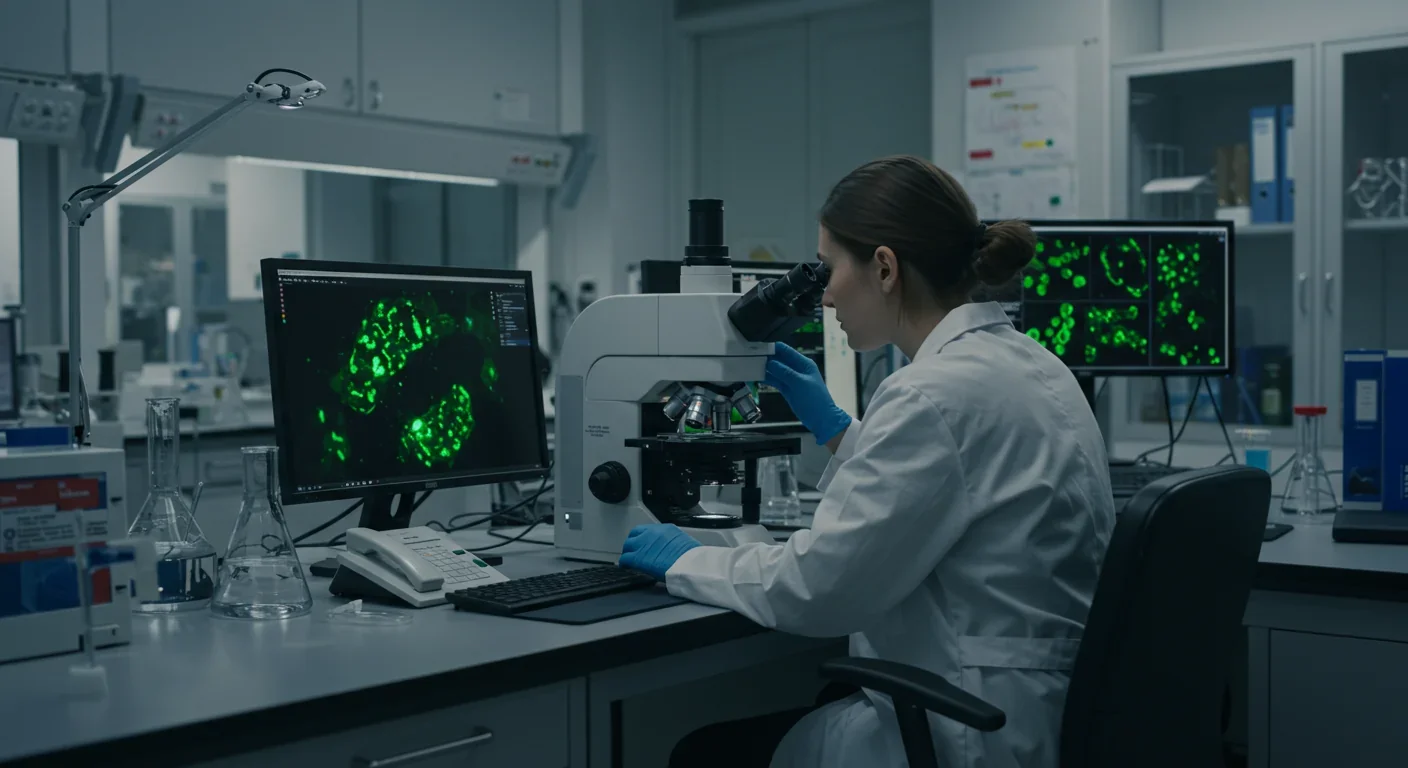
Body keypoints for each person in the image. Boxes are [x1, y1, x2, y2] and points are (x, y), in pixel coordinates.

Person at [619, 154, 1117, 767]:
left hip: (965, 727)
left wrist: (688, 561)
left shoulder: (931, 393)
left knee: (704, 754)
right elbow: (949, 488)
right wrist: (837, 430)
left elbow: (818, 589)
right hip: (1038, 708)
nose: (822, 293)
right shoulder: (1031, 364)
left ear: (884, 268)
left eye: (828, 268)